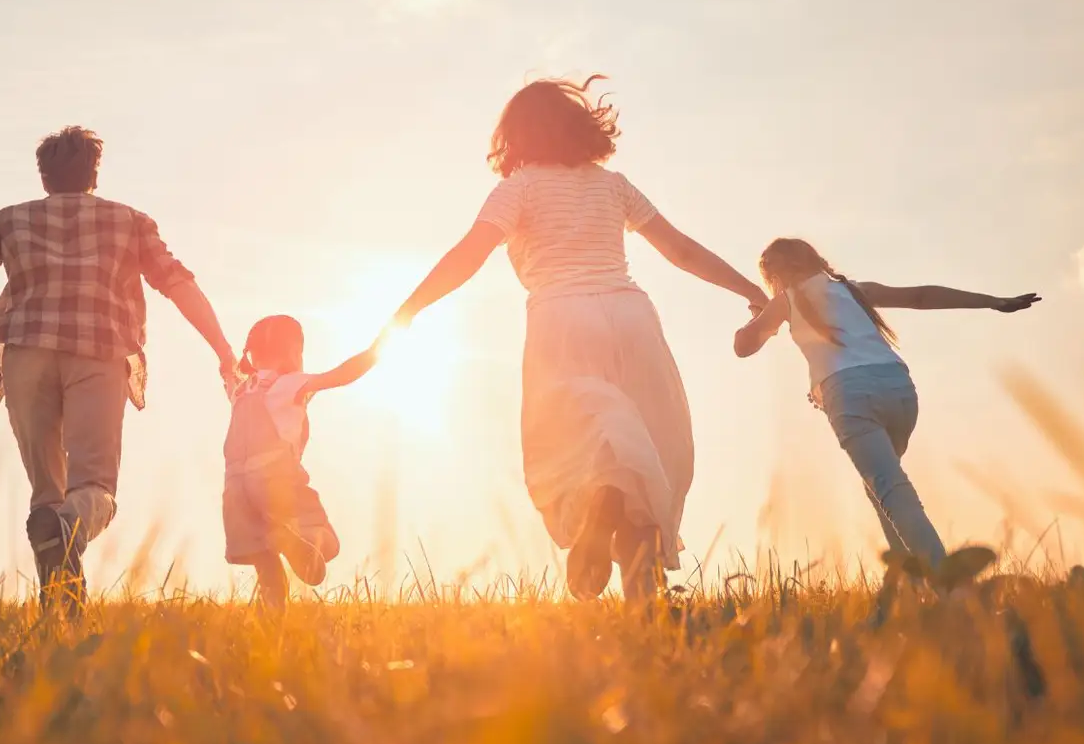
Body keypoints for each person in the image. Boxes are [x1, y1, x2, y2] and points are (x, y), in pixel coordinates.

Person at [390, 77, 766, 601]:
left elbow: (468, 254)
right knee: (648, 449)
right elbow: (680, 250)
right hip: (632, 316)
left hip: (561, 317)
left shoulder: (518, 188)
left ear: (515, 135)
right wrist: (752, 291)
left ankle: (602, 505)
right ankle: (644, 603)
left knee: (580, 443)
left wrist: (409, 310)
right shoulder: (613, 186)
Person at [0, 126, 237, 611]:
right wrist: (224, 351)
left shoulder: (7, 221)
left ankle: (61, 609)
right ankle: (65, 541)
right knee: (94, 487)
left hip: (25, 354)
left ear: (44, 177)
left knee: (48, 490)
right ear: (94, 175)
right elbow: (178, 284)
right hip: (98, 350)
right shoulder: (130, 221)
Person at [733, 237, 1039, 569]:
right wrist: (994, 301)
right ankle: (907, 586)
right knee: (881, 489)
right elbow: (920, 296)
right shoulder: (852, 289)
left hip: (850, 395)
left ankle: (951, 590)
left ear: (774, 276)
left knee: (892, 491)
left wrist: (759, 313)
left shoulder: (785, 302)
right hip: (900, 390)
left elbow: (743, 346)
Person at [222, 315, 377, 610]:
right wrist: (377, 349)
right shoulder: (290, 382)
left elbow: (227, 372)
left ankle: (273, 626)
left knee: (266, 565)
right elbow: (342, 375)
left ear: (252, 355)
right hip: (275, 480)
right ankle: (291, 540)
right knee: (326, 546)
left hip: (235, 490)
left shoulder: (241, 389)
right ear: (295, 351)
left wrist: (226, 360)